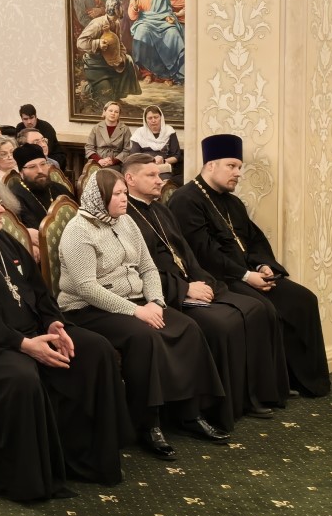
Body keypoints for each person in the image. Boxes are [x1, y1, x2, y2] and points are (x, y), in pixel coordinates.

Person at [0, 174, 129, 501]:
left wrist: (53, 324)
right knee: (21, 377)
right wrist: (25, 346)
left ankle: (82, 459)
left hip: (30, 331)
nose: (1, 211)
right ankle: (27, 478)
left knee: (95, 350)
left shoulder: (2, 239)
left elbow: (38, 289)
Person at [58, 170, 228, 460]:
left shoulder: (126, 222)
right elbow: (87, 288)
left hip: (136, 301)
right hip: (88, 309)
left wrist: (157, 302)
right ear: (99, 198)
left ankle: (190, 413)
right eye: (117, 194)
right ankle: (148, 424)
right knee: (144, 337)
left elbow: (148, 268)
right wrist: (137, 311)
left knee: (188, 327)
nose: (124, 199)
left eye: (125, 193)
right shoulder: (78, 231)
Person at [124, 154, 289, 423]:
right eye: (151, 175)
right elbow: (139, 270)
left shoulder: (161, 210)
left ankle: (252, 396)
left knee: (255, 309)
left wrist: (204, 279)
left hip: (192, 282)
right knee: (223, 325)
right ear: (130, 179)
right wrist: (185, 288)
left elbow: (187, 254)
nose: (160, 180)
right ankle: (222, 407)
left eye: (159, 175)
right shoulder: (126, 217)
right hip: (166, 293)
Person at [168, 134, 330, 397]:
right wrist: (245, 275)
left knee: (304, 300)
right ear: (211, 165)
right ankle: (273, 386)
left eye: (239, 167)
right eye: (232, 166)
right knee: (266, 311)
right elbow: (203, 252)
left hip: (248, 273)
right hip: (220, 278)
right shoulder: (186, 199)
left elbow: (254, 240)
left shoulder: (233, 202)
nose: (238, 173)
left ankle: (304, 381)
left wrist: (264, 265)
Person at [128, 0, 185, 84]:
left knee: (173, 33)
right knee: (141, 33)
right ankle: (147, 73)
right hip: (145, 21)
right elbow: (131, 15)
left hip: (161, 21)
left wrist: (169, 17)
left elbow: (167, 9)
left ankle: (168, 75)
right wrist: (135, 7)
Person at [77, 0, 144, 103]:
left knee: (128, 60)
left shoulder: (116, 23)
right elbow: (80, 42)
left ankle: (119, 92)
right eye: (122, 7)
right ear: (116, 9)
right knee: (106, 96)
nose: (124, 9)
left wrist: (121, 57)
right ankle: (87, 88)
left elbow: (119, 43)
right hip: (95, 64)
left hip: (109, 63)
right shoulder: (97, 24)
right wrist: (98, 43)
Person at [7, 143, 74, 231]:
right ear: (21, 172)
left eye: (43, 164)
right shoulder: (15, 197)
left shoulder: (59, 189)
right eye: (32, 167)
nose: (40, 170)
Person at [129, 105, 182, 184]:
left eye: (156, 117)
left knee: (164, 184)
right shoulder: (139, 133)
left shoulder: (169, 131)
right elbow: (134, 156)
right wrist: (151, 161)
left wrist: (163, 160)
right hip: (145, 167)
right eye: (150, 118)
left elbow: (177, 156)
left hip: (163, 168)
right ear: (145, 120)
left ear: (161, 118)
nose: (153, 120)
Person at [85, 100, 132, 167]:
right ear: (104, 112)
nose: (113, 113)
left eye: (116, 112)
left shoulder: (125, 129)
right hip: (98, 162)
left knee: (111, 172)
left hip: (117, 163)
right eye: (110, 111)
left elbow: (127, 150)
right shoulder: (96, 128)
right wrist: (99, 160)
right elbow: (89, 148)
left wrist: (113, 161)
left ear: (119, 115)